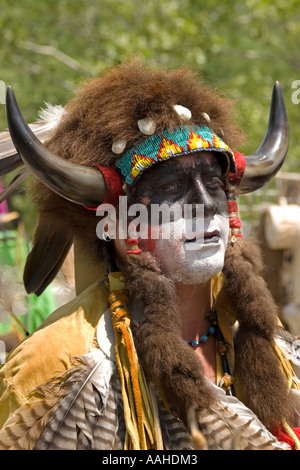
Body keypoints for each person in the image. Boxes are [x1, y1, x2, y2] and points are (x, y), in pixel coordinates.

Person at [0, 59, 299, 450]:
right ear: (119, 223)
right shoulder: (57, 363)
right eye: (172, 186)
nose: (206, 205)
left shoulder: (263, 337)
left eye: (213, 181)